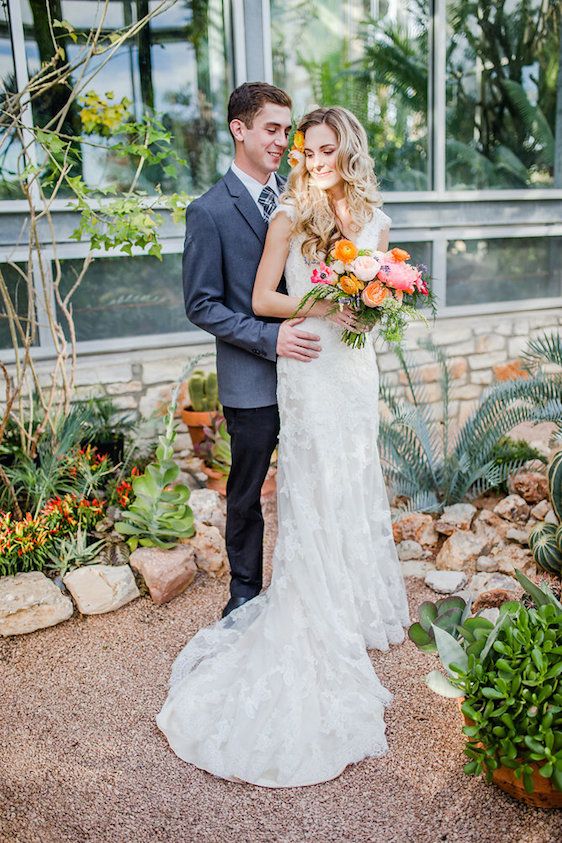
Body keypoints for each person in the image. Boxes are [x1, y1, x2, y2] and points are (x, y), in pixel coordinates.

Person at [157, 105, 411, 788]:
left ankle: (355, 601)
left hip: (354, 372)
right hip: (305, 365)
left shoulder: (378, 224)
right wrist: (324, 302)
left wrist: (374, 301)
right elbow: (263, 297)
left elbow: (380, 305)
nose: (314, 158)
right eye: (307, 149)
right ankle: (303, 600)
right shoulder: (289, 216)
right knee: (312, 483)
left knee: (355, 479)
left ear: (347, 150)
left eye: (326, 148)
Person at [180, 82, 322, 619]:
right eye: (272, 128)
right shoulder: (209, 211)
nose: (283, 140)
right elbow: (202, 305)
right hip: (252, 378)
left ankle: (308, 582)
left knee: (312, 478)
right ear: (239, 129)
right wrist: (270, 338)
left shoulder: (305, 197)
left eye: (288, 130)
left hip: (313, 368)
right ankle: (244, 590)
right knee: (247, 491)